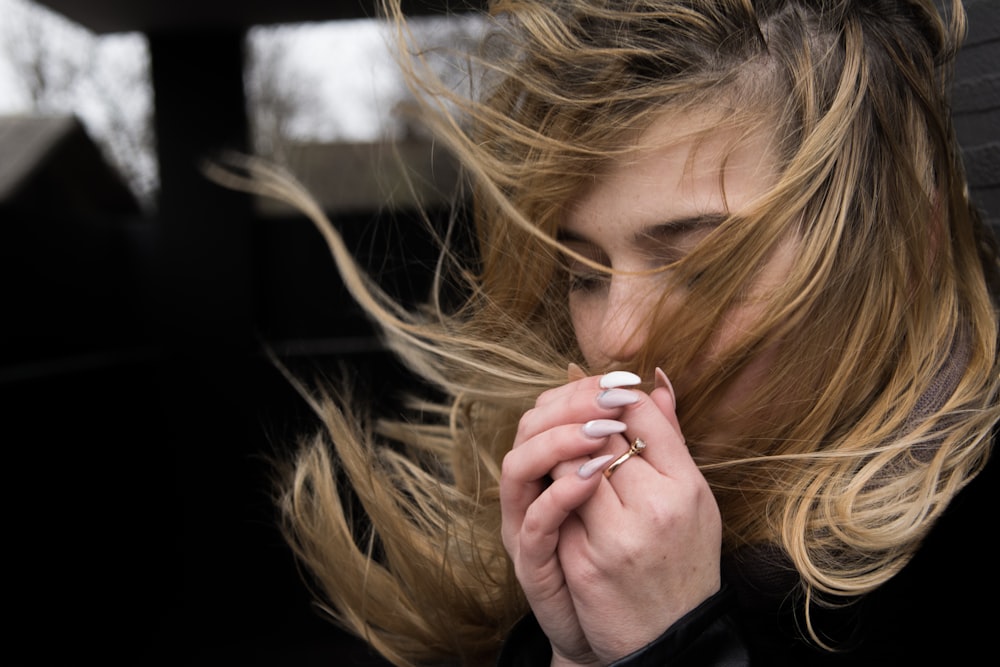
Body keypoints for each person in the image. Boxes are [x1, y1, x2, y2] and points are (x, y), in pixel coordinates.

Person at [215, 0, 1000, 664]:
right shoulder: (592, 530)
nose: (617, 335)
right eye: (585, 273)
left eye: (702, 267)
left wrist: (677, 643)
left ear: (902, 248)